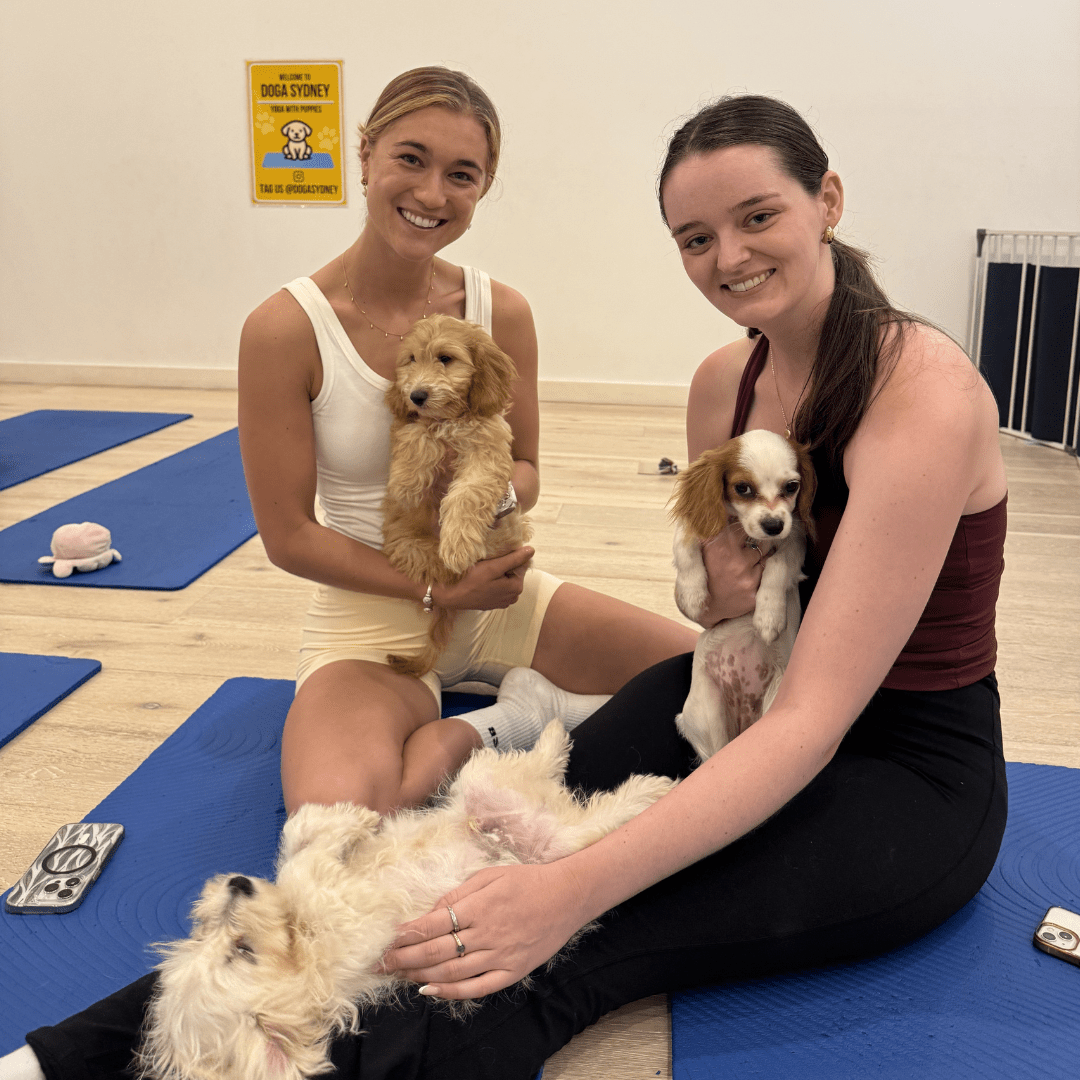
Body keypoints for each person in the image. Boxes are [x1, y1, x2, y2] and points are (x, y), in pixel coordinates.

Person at [7, 94, 1008, 1080]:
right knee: (427, 863)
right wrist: (716, 599)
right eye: (695, 237)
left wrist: (568, 887)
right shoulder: (722, 385)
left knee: (547, 953)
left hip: (903, 765)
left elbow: (812, 721)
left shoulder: (919, 394)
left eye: (758, 218)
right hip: (734, 699)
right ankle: (63, 1058)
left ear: (827, 200)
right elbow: (724, 617)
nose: (729, 257)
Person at [234, 66, 695, 817]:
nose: (431, 195)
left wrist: (485, 496)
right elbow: (287, 537)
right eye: (410, 159)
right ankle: (493, 731)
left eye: (462, 174)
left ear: (484, 187)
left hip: (502, 596)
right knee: (345, 819)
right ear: (365, 155)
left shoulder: (498, 312)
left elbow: (529, 470)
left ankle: (502, 720)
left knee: (719, 686)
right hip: (370, 617)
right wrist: (432, 587)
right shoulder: (284, 330)